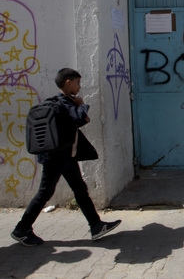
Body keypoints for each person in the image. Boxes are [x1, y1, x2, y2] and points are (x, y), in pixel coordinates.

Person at [11, 68, 121, 246]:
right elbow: (81, 118)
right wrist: (81, 104)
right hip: (57, 158)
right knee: (45, 193)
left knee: (79, 189)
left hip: (63, 157)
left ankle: (96, 225)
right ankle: (21, 229)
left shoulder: (57, 102)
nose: (79, 86)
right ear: (68, 83)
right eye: (77, 83)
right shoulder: (66, 102)